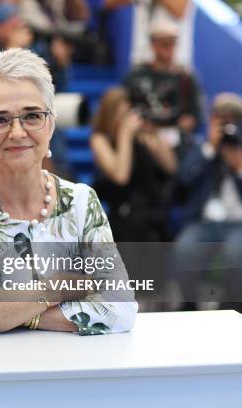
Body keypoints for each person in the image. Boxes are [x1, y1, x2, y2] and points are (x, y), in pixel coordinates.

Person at [0, 48, 137, 337]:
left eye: (32, 116)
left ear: (51, 124)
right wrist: (56, 287)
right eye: (0, 119)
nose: (17, 132)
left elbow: (121, 309)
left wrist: (3, 302)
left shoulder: (81, 202)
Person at [171, 93, 242, 310]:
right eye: (222, 120)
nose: (227, 126)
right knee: (184, 248)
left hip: (237, 224)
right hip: (203, 223)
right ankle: (189, 307)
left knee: (235, 253)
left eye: (233, 120)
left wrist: (239, 167)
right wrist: (210, 149)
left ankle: (230, 309)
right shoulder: (200, 148)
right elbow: (183, 178)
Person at [90, 87, 177, 242]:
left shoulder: (142, 136)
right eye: (122, 115)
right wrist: (125, 134)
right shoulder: (100, 140)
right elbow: (120, 175)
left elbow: (170, 166)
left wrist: (154, 131)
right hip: (124, 217)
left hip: (152, 215)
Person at [123, 19, 201, 149]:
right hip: (141, 138)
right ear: (153, 45)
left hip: (176, 142)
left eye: (173, 44)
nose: (169, 49)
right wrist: (141, 126)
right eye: (165, 44)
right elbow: (124, 108)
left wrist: (175, 129)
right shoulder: (136, 76)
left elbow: (194, 115)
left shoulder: (186, 78)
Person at [0, 4, 72, 92]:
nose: (16, 25)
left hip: (37, 97)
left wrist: (61, 63)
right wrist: (13, 49)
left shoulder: (35, 46)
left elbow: (56, 85)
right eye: (9, 22)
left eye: (17, 20)